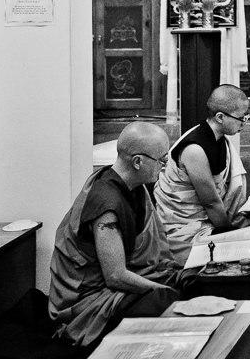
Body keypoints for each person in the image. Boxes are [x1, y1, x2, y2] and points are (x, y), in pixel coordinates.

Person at [49, 122, 182, 348]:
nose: (165, 166)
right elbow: (115, 276)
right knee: (167, 300)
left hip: (121, 282)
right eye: (162, 160)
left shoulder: (134, 187)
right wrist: (163, 289)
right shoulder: (106, 205)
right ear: (137, 162)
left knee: (190, 280)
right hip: (92, 301)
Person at [154, 85, 250, 263]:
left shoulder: (220, 140)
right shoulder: (195, 150)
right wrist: (230, 236)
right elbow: (211, 203)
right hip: (183, 228)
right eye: (241, 118)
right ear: (220, 117)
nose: (244, 123)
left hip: (209, 219)